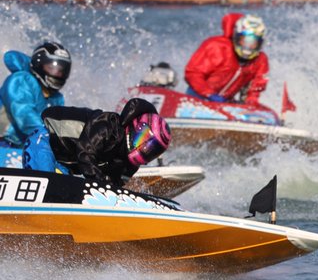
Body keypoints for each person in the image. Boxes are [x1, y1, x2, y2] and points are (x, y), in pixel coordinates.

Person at [24, 98, 171, 189]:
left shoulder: (130, 165)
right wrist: (102, 185)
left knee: (60, 192)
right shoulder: (109, 125)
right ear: (135, 127)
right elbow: (85, 154)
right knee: (47, 185)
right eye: (144, 140)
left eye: (152, 150)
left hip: (62, 163)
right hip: (43, 139)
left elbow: (116, 186)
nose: (144, 149)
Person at [183, 12, 269, 106]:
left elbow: (254, 90)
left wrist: (251, 104)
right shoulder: (217, 47)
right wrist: (210, 94)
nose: (248, 46)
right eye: (245, 40)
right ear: (236, 36)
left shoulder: (260, 61)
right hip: (198, 97)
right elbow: (193, 73)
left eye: (253, 42)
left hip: (225, 103)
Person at [1, 40, 72, 148]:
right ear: (39, 64)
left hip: (25, 147)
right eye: (52, 68)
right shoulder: (21, 80)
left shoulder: (57, 98)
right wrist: (51, 136)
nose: (58, 73)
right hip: (3, 142)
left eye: (61, 70)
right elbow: (24, 115)